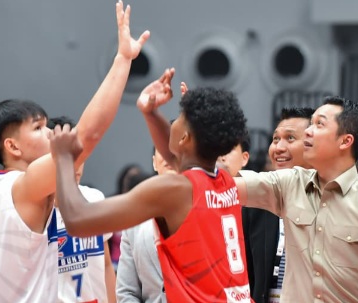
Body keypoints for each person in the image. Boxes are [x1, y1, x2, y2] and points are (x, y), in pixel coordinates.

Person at [0, 0, 149, 302]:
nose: (51, 133)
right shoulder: (25, 186)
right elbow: (87, 135)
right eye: (39, 128)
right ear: (12, 146)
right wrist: (122, 60)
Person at [52, 87, 252, 303]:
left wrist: (64, 159)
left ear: (184, 138)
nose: (173, 122)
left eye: (179, 118)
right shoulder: (223, 177)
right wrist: (150, 113)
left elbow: (77, 220)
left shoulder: (174, 190)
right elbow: (177, 158)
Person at [237, 96, 358, 303]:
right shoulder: (289, 183)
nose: (308, 131)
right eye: (311, 123)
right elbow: (226, 186)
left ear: (345, 141)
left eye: (319, 124)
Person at [242, 106, 313, 303]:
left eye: (290, 138)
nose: (278, 148)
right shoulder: (255, 205)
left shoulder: (330, 203)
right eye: (275, 139)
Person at [49, 115, 116, 303]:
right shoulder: (35, 209)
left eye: (80, 155)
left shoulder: (95, 198)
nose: (76, 164)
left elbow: (106, 264)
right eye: (67, 157)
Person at [116, 148, 176, 303]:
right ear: (154, 162)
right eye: (163, 148)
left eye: (175, 148)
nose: (169, 154)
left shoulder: (207, 207)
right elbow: (126, 291)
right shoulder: (134, 218)